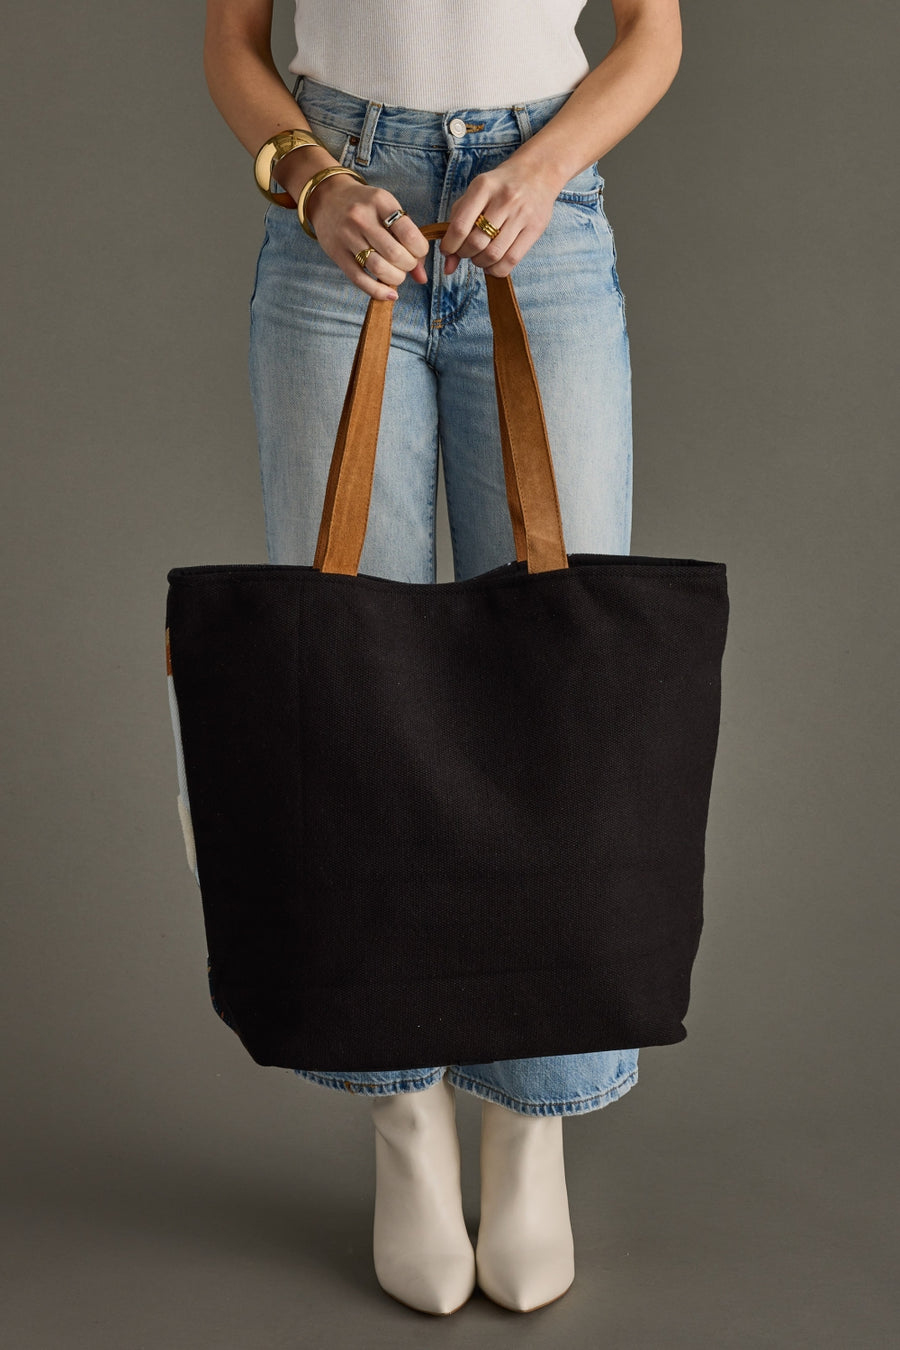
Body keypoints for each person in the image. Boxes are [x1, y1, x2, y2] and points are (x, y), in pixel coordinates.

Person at [202, 0, 683, 1317]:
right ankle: (401, 1116)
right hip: (337, 218)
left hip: (543, 209)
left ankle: (536, 1123)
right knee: (347, 700)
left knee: (563, 701)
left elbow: (653, 32)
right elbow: (233, 42)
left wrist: (542, 167)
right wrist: (310, 181)